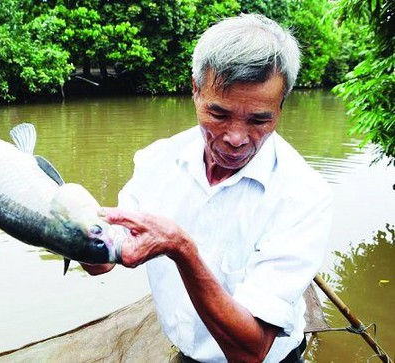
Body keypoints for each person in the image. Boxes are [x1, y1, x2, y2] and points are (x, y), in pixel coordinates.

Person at [81, 13, 333, 363]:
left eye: (259, 119)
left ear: (282, 105)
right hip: (187, 353)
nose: (235, 138)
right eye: (219, 114)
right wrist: (78, 236)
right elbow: (106, 259)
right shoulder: (157, 162)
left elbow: (250, 351)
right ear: (195, 91)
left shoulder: (304, 195)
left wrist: (181, 248)